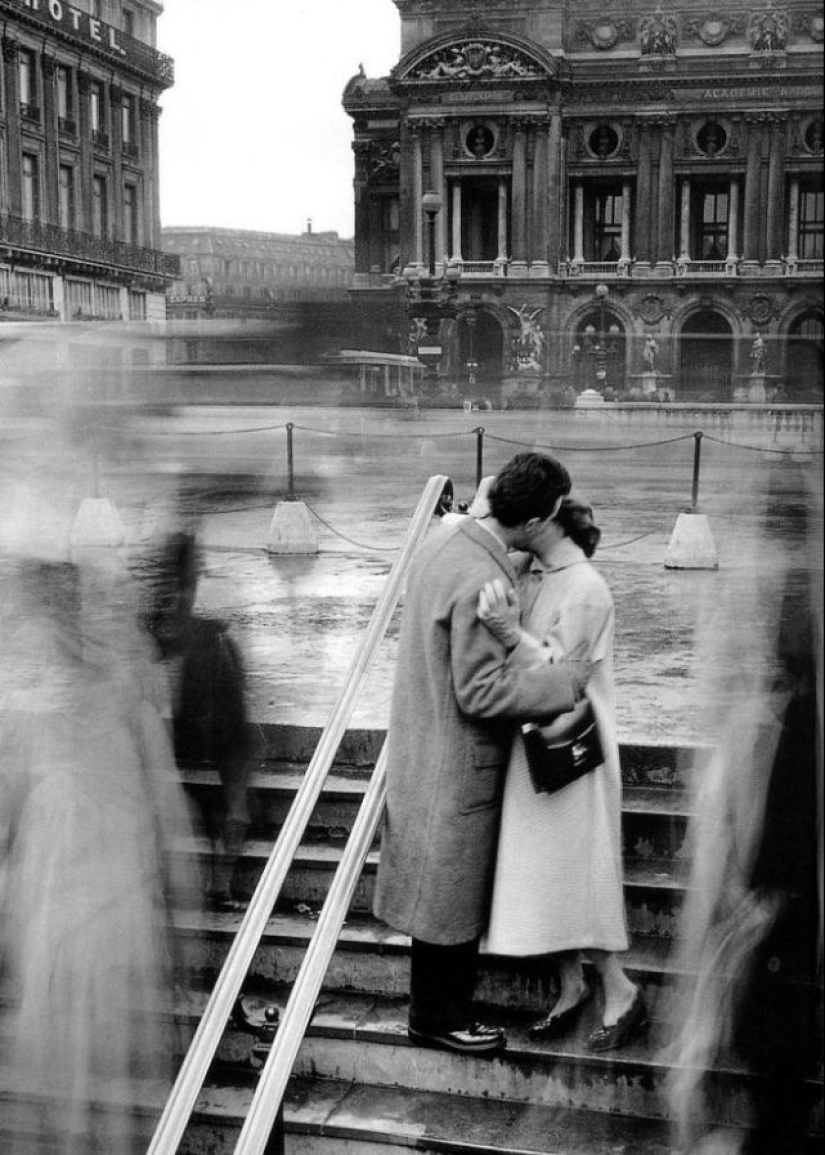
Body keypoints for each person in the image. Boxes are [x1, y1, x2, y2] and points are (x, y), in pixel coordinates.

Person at [373, 452, 592, 1057]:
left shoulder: (447, 545)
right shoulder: (481, 580)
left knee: (437, 893)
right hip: (458, 762)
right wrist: (563, 683)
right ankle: (441, 1021)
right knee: (450, 901)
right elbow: (481, 690)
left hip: (424, 746)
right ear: (534, 518)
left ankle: (432, 1014)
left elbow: (495, 548)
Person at [477, 496, 645, 1052]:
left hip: (575, 752)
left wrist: (507, 632)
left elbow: (563, 678)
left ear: (541, 521)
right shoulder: (540, 573)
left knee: (578, 870)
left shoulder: (587, 589)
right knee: (548, 871)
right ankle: (570, 987)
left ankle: (620, 990)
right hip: (536, 747)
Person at [142, 531, 253, 911]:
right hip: (175, 750)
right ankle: (221, 870)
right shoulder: (152, 639)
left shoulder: (209, 642)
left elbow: (233, 729)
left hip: (195, 745)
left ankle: (223, 854)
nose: (181, 594)